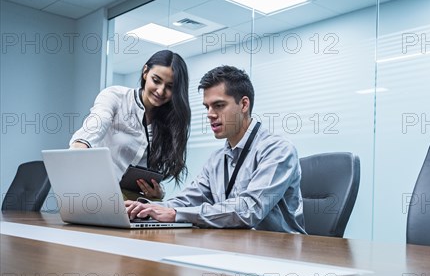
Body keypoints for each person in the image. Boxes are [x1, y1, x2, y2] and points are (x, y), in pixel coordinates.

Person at [125, 65, 306, 233]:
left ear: (244, 104)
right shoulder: (217, 159)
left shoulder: (278, 150)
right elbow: (186, 201)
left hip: (281, 252)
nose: (210, 114)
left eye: (219, 106)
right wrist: (146, 207)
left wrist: (174, 214)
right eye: (207, 107)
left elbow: (250, 210)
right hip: (235, 248)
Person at [70, 50, 191, 199]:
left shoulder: (171, 121)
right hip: (97, 194)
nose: (161, 91)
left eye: (170, 87)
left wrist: (158, 192)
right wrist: (81, 144)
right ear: (145, 72)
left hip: (134, 202)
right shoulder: (116, 96)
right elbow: (98, 122)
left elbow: (152, 169)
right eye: (156, 80)